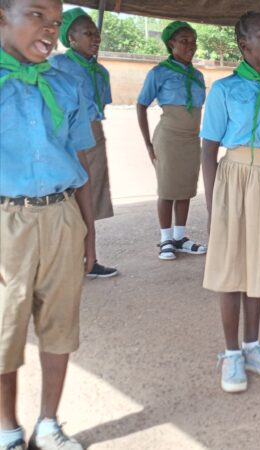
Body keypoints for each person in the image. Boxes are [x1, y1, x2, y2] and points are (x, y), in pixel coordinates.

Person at [1, 0, 98, 447]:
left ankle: (49, 424)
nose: (50, 29)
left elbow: (80, 157)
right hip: (6, 220)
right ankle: (8, 429)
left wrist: (87, 230)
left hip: (61, 214)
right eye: (37, 15)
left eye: (56, 22)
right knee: (4, 330)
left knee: (61, 324)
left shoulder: (65, 83)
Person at [200, 12, 260, 393]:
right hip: (235, 178)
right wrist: (212, 207)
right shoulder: (224, 90)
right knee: (231, 267)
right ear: (244, 45)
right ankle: (231, 352)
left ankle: (253, 346)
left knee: (259, 265)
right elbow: (208, 148)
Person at [49, 8, 118, 279]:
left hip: (93, 134)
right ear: (71, 38)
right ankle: (66, 260)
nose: (95, 38)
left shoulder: (100, 71)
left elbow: (101, 105)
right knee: (66, 199)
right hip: (65, 138)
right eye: (88, 33)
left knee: (90, 197)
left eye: (97, 33)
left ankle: (89, 258)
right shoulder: (58, 66)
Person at [137, 22, 208, 261]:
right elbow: (141, 104)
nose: (191, 45)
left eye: (193, 41)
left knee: (186, 189)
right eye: (184, 40)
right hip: (168, 138)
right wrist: (148, 143)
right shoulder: (159, 72)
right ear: (171, 44)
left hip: (191, 139)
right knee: (167, 189)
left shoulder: (198, 75)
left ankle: (180, 237)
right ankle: (165, 239)